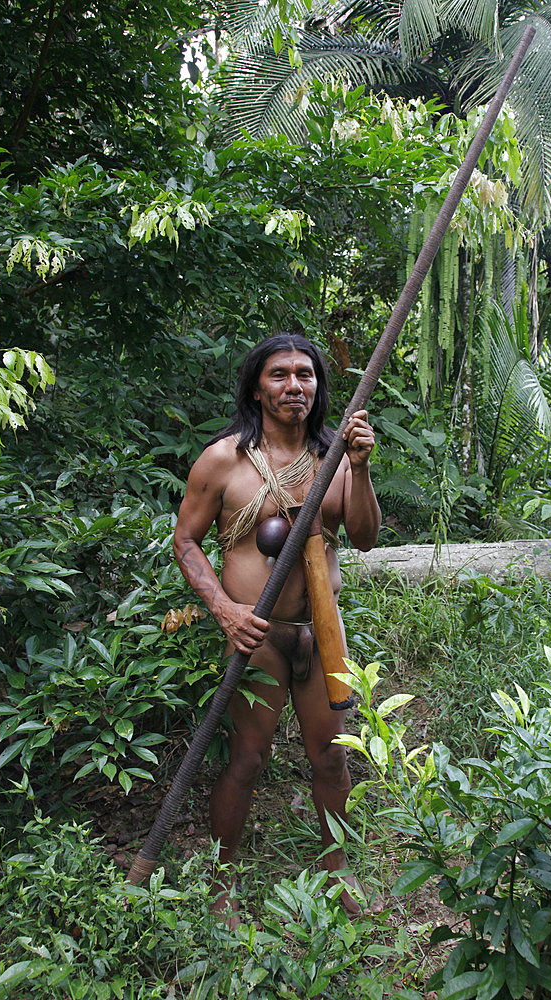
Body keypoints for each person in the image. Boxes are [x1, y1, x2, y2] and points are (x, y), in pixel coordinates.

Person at [173, 333, 382, 925]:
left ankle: (337, 869)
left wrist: (360, 469)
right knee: (247, 757)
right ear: (257, 388)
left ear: (319, 388)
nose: (295, 385)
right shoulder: (224, 461)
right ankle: (221, 883)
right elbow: (185, 540)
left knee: (331, 759)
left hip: (321, 636)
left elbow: (364, 538)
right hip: (255, 641)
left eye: (306, 375)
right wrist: (223, 608)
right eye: (280, 375)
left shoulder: (332, 459)